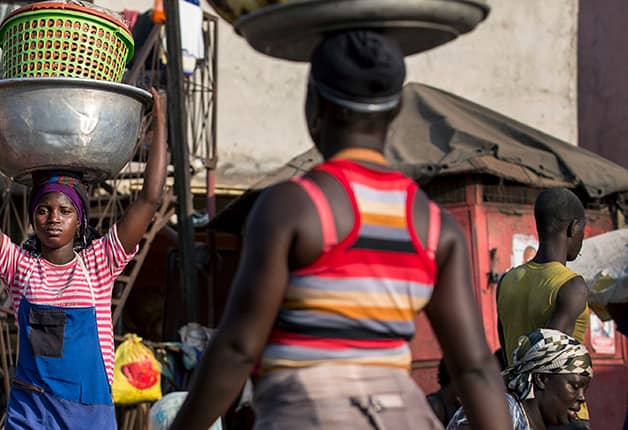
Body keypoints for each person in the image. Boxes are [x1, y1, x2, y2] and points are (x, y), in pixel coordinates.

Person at [168, 31, 510, 430]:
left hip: (309, 413)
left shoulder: (292, 207)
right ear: (396, 110)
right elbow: (475, 369)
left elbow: (239, 347)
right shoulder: (436, 227)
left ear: (314, 107)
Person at [0, 84, 168, 430]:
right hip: (31, 412)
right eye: (43, 210)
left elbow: (149, 200)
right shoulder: (20, 268)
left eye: (64, 210)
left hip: (88, 413)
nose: (53, 218)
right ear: (33, 216)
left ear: (79, 218)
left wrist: (159, 121)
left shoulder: (99, 264)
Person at [497, 188, 591, 424]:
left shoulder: (507, 281)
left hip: (519, 412)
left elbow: (508, 356)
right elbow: (550, 360)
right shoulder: (571, 285)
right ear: (573, 227)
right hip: (563, 415)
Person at [447, 329, 591, 430]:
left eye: (584, 389)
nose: (582, 397)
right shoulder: (500, 411)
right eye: (574, 386)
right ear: (541, 378)